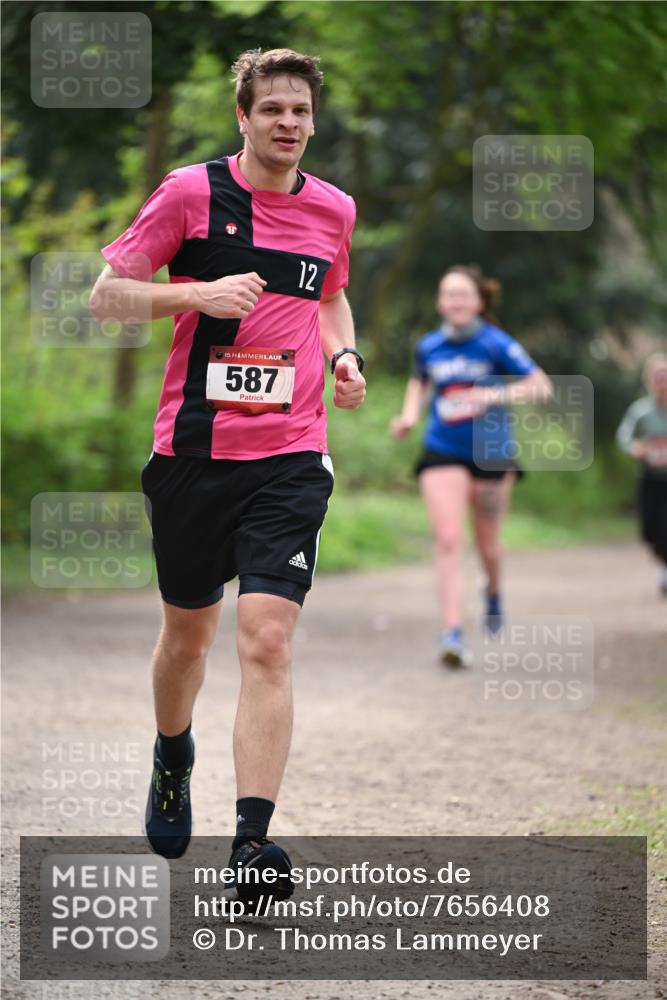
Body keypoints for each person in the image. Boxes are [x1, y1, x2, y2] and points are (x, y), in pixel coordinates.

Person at [90, 48, 366, 894]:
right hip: (192, 456)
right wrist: (194, 297)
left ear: (313, 122)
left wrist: (346, 353)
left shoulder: (334, 209)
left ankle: (251, 843)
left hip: (290, 455)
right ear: (242, 117)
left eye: (300, 110)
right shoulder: (188, 193)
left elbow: (326, 296)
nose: (288, 122)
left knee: (268, 639)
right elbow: (107, 295)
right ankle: (173, 755)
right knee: (187, 636)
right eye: (272, 108)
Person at [390, 265, 551, 667]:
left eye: (463, 295)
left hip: (492, 453)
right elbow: (420, 383)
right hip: (442, 448)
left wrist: (492, 396)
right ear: (440, 303)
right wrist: (409, 416)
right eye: (448, 295)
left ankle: (493, 592)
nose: (456, 302)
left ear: (479, 301)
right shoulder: (429, 346)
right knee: (448, 540)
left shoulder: (495, 343)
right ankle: (453, 633)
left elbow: (540, 385)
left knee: (488, 547)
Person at [616, 352, 667, 597]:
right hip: (650, 478)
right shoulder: (641, 411)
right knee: (649, 530)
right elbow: (624, 436)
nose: (662, 382)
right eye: (658, 377)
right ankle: (663, 560)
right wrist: (636, 448)